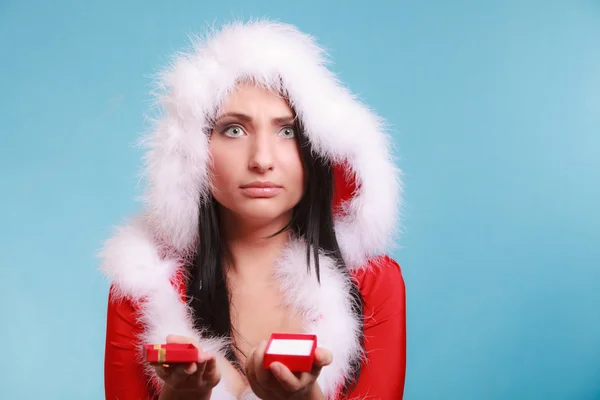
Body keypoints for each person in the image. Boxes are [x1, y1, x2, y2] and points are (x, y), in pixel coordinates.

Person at [100, 20, 406, 400]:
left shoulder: (374, 284)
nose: (262, 160)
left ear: (319, 149)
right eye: (233, 130)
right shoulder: (144, 285)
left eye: (287, 131)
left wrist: (303, 398)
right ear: (191, 154)